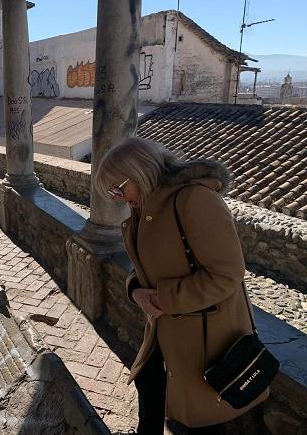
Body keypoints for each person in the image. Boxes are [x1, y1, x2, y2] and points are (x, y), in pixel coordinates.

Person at [94, 137, 268, 435]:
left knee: (200, 419)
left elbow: (227, 274)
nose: (117, 197)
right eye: (112, 192)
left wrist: (163, 298)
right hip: (169, 331)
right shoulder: (148, 206)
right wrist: (135, 290)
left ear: (141, 171)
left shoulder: (195, 200)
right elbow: (146, 267)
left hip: (205, 338)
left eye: (118, 188)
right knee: (148, 384)